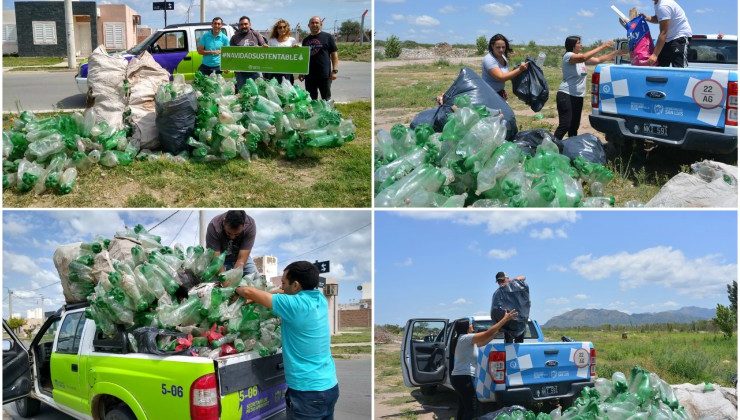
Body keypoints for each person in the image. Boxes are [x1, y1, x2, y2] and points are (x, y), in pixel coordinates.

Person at [236, 261, 339, 419]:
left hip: (307, 393)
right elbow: (281, 293)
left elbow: (249, 292)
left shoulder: (294, 305)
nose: (282, 287)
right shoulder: (319, 299)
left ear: (296, 285)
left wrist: (233, 288)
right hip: (329, 386)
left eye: (284, 283)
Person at [554, 36, 626, 140]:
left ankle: (571, 148)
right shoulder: (568, 56)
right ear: (572, 45)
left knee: (574, 126)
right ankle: (550, 148)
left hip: (578, 96)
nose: (581, 45)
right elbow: (583, 57)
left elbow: (598, 60)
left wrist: (615, 53)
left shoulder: (580, 58)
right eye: (579, 43)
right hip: (566, 95)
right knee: (565, 125)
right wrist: (603, 46)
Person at [451, 310, 518, 420]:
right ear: (467, 328)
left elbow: (483, 341)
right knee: (471, 409)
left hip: (459, 379)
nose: (472, 325)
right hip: (464, 379)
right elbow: (486, 333)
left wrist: (497, 332)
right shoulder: (466, 338)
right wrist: (505, 319)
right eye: (470, 324)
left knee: (463, 407)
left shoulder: (464, 340)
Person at [206, 210, 257, 276]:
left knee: (255, 278)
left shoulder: (250, 225)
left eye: (237, 234)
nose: (232, 237)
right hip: (220, 257)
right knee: (212, 281)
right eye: (228, 233)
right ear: (224, 222)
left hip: (239, 255)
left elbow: (242, 259)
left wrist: (234, 277)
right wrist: (224, 279)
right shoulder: (214, 226)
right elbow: (216, 260)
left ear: (244, 225)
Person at [642, 0, 692, 67]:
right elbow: (659, 18)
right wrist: (647, 18)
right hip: (668, 38)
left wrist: (654, 55)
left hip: (679, 36)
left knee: (679, 69)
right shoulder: (657, 3)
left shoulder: (663, 6)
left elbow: (663, 32)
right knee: (660, 67)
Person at [300, 16, 338, 100]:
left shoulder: (328, 37)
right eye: (312, 23)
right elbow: (303, 57)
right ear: (308, 25)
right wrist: (301, 72)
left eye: (317, 23)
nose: (314, 24)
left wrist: (335, 71)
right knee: (311, 99)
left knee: (326, 98)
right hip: (309, 76)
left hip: (324, 75)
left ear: (321, 24)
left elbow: (334, 55)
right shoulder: (305, 40)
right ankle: (313, 113)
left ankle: (328, 113)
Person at [482, 34, 528, 101]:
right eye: (498, 47)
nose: (501, 50)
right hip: (489, 95)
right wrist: (520, 69)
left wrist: (519, 69)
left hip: (499, 93)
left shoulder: (502, 57)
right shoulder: (489, 59)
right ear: (492, 46)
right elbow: (501, 77)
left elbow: (506, 74)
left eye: (503, 47)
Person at [230, 16, 268, 92]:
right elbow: (231, 55)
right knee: (243, 94)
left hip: (256, 70)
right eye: (241, 24)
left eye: (245, 24)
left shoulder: (256, 34)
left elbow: (264, 48)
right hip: (241, 72)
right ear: (239, 26)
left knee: (259, 93)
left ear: (250, 24)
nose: (243, 26)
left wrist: (262, 48)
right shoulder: (234, 38)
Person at [491, 271, 528, 343]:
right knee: (508, 344)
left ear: (507, 279)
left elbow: (523, 277)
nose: (500, 283)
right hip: (508, 321)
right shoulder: (499, 292)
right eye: (499, 281)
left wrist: (513, 281)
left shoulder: (513, 286)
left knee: (519, 343)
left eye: (502, 280)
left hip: (516, 320)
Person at [264, 19, 298, 85]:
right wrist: (264, 48)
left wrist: (297, 48)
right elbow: (267, 56)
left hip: (287, 72)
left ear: (287, 28)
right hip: (273, 72)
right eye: (280, 27)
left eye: (284, 27)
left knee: (287, 92)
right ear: (277, 29)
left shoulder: (292, 40)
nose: (282, 29)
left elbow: (296, 55)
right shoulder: (271, 41)